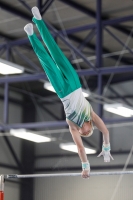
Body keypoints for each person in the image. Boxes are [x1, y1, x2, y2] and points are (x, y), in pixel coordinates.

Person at [24, 6, 114, 179]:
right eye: (87, 132)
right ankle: (39, 21)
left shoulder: (73, 126)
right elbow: (106, 131)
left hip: (62, 91)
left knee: (46, 61)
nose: (84, 133)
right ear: (90, 127)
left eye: (83, 134)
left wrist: (85, 167)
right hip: (75, 83)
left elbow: (80, 148)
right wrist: (106, 147)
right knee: (56, 52)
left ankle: (30, 35)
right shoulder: (91, 115)